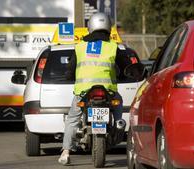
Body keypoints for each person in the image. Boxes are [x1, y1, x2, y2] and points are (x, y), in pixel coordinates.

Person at [58, 12, 138, 165]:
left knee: (72, 120)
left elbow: (69, 71)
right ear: (108, 27)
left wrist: (69, 77)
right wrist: (130, 74)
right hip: (107, 91)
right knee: (118, 103)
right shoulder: (113, 47)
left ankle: (66, 152)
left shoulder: (80, 47)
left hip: (83, 92)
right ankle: (117, 124)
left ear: (90, 27)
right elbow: (127, 67)